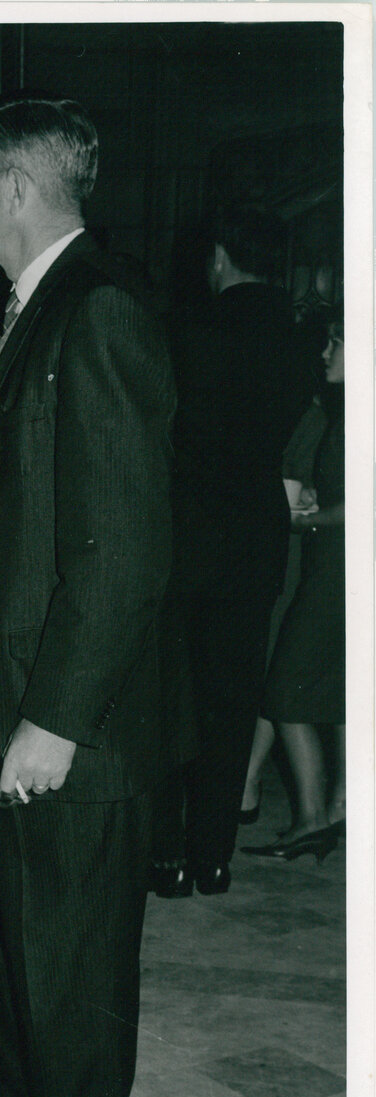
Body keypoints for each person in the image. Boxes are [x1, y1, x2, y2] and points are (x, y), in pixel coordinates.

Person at [0, 96, 174, 1097]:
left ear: (16, 188)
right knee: (6, 941)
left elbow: (121, 551)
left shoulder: (101, 309)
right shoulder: (34, 308)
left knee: (68, 958)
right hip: (6, 709)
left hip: (67, 722)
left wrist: (55, 718)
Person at [150, 206, 301, 898]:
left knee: (174, 701)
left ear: (217, 258)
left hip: (189, 540)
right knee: (233, 704)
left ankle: (166, 857)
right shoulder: (301, 335)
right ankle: (213, 857)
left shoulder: (194, 329)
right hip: (256, 541)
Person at [244, 312, 345, 862]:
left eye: (337, 342)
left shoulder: (348, 415)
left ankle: (310, 819)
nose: (326, 352)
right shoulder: (340, 411)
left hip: (336, 573)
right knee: (334, 689)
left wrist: (306, 519)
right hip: (334, 567)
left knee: (284, 690)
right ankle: (334, 810)